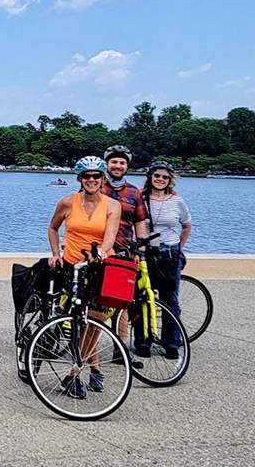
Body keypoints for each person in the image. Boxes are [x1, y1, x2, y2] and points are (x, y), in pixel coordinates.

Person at [47, 155, 121, 399]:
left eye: (96, 176)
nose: (91, 180)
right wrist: (56, 253)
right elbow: (53, 227)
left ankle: (82, 370)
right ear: (79, 178)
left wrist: (100, 252)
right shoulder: (67, 202)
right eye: (86, 176)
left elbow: (110, 236)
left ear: (103, 179)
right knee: (81, 320)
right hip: (73, 265)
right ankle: (81, 372)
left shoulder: (112, 205)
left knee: (97, 319)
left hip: (100, 265)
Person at [141, 160, 192, 360]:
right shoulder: (141, 198)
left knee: (170, 298)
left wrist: (179, 247)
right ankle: (143, 340)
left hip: (169, 251)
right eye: (157, 176)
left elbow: (187, 225)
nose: (160, 179)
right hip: (146, 251)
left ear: (170, 179)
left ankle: (171, 342)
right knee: (143, 297)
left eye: (164, 177)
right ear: (150, 177)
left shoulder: (176, 200)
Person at [101, 145, 148, 360]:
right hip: (101, 250)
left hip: (124, 250)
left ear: (127, 166)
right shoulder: (96, 186)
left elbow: (139, 222)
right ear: (107, 164)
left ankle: (120, 351)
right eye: (114, 162)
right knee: (96, 302)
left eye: (121, 162)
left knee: (123, 303)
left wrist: (141, 249)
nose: (117, 166)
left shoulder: (134, 192)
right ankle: (85, 349)